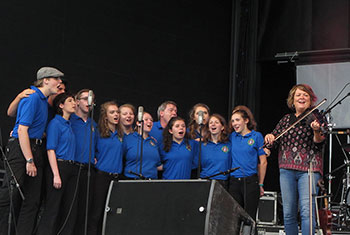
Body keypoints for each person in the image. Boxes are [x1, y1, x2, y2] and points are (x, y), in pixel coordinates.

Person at [0, 67, 63, 235]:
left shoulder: (42, 100)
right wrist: (29, 160)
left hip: (34, 146)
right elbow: (22, 130)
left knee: (33, 200)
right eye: (57, 79)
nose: (60, 83)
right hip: (21, 148)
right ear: (46, 80)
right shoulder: (33, 97)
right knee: (10, 194)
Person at [264, 84, 326, 235]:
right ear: (293, 100)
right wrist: (269, 138)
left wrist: (316, 130)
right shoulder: (286, 120)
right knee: (288, 212)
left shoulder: (316, 116)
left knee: (306, 211)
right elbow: (273, 140)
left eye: (305, 95)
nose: (302, 97)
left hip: (309, 169)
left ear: (310, 100)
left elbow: (319, 141)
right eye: (298, 95)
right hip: (286, 170)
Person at [36, 92, 78, 235]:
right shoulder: (56, 123)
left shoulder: (70, 125)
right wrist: (56, 174)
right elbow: (51, 150)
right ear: (61, 105)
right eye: (70, 101)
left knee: (69, 208)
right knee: (53, 207)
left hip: (71, 166)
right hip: (59, 166)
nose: (74, 104)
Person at [88, 101, 123, 235]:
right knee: (97, 211)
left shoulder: (120, 134)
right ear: (105, 116)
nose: (116, 115)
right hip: (102, 176)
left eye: (117, 112)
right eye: (112, 112)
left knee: (112, 212)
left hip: (116, 178)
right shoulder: (98, 132)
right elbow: (91, 150)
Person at [228, 105, 268, 221]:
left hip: (250, 181)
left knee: (250, 218)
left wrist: (261, 184)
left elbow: (263, 162)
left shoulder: (256, 136)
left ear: (246, 120)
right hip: (234, 181)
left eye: (237, 120)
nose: (234, 123)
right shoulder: (231, 137)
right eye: (232, 121)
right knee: (234, 217)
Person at [70, 89, 98, 234]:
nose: (88, 102)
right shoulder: (70, 120)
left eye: (91, 99)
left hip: (89, 169)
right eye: (85, 98)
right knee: (71, 207)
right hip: (74, 168)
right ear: (77, 101)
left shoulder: (94, 124)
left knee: (85, 208)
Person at [123, 112, 161, 179]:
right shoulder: (128, 139)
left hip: (152, 182)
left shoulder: (153, 142)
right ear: (138, 123)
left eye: (151, 120)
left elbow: (158, 165)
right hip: (132, 181)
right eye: (146, 119)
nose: (149, 122)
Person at [200, 114, 231, 189]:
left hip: (223, 182)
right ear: (208, 128)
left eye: (216, 122)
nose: (213, 124)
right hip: (205, 181)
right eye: (211, 123)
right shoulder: (201, 145)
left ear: (222, 127)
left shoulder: (229, 144)